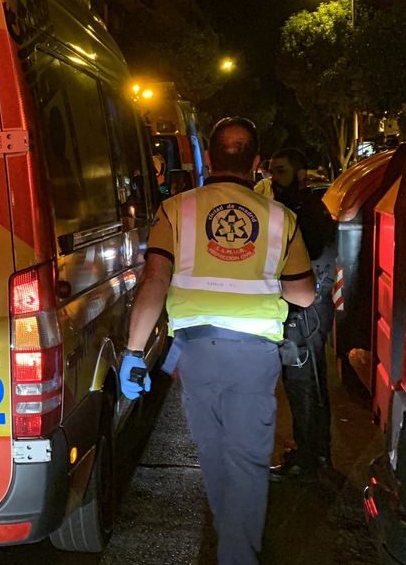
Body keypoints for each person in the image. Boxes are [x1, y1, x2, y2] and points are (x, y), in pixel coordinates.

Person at [120, 118, 316, 565]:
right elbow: (302, 293)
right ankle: (237, 553)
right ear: (257, 163)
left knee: (212, 454)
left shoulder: (176, 210)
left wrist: (134, 352)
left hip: (196, 354)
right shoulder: (281, 218)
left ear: (208, 158)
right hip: (254, 356)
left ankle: (232, 544)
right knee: (246, 461)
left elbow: (155, 279)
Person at [266, 148, 339, 481]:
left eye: (279, 170)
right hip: (306, 310)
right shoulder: (300, 208)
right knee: (307, 383)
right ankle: (314, 453)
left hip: (304, 313)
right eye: (270, 170)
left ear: (297, 173)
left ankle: (309, 461)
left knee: (304, 385)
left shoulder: (301, 211)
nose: (273, 178)